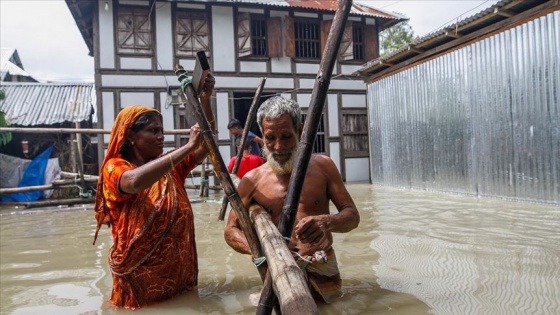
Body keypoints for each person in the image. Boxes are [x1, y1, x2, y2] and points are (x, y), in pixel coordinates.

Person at [92, 74, 215, 309]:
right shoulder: (115, 167)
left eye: (162, 130)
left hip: (179, 274)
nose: (162, 136)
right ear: (130, 136)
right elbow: (134, 182)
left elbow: (207, 144)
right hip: (139, 279)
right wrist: (188, 145)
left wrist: (206, 100)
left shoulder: (168, 168)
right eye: (153, 131)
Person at [224, 96, 360, 304]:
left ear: (300, 130)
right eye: (270, 138)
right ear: (262, 135)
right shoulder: (252, 180)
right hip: (278, 273)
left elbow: (352, 216)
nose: (278, 147)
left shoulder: (323, 166)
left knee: (335, 307)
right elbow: (230, 230)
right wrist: (260, 250)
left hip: (322, 266)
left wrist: (326, 222)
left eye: (286, 136)